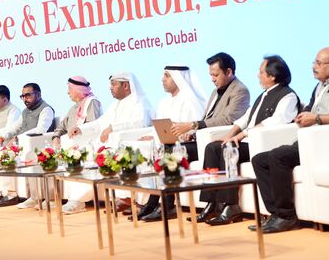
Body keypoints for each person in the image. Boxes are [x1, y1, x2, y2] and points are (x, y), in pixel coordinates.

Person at [251, 47, 329, 234]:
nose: (314, 67)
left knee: (278, 156)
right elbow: (310, 111)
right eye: (314, 62)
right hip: (308, 141)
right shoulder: (319, 87)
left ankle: (287, 217)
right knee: (259, 160)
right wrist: (302, 118)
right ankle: (275, 214)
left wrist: (316, 119)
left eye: (319, 63)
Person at [198, 55, 300, 226]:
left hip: (263, 143)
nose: (257, 75)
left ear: (272, 76)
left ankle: (231, 205)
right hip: (250, 141)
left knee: (227, 150)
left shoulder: (287, 96)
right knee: (213, 147)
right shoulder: (263, 95)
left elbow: (276, 121)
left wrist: (243, 135)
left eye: (261, 72)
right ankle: (212, 202)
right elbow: (245, 119)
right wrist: (229, 135)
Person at [64, 72, 153, 213]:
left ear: (126, 85)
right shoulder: (116, 104)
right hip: (113, 143)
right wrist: (81, 129)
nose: (110, 88)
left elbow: (141, 123)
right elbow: (100, 123)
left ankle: (128, 199)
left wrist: (113, 128)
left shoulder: (140, 102)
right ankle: (77, 199)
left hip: (131, 142)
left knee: (113, 155)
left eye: (114, 84)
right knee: (82, 154)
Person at [137, 65, 207, 222]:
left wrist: (184, 134)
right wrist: (152, 136)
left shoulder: (190, 101)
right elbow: (161, 128)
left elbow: (195, 130)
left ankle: (167, 205)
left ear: (178, 78)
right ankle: (153, 203)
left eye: (167, 76)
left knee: (169, 151)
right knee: (160, 149)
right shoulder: (164, 102)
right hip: (171, 144)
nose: (162, 79)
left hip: (191, 145)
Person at [0, 83, 56, 209]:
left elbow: (41, 129)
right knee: (7, 155)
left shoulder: (46, 109)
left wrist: (18, 138)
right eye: (23, 96)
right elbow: (16, 127)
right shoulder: (25, 111)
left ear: (38, 95)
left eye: (28, 95)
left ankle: (51, 199)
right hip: (27, 146)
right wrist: (2, 137)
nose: (25, 99)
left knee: (32, 159)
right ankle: (34, 198)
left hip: (42, 145)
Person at [51, 76, 103, 214]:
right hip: (71, 145)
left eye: (70, 89)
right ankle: (64, 197)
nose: (68, 92)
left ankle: (78, 200)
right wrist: (56, 137)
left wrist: (79, 132)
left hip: (87, 145)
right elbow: (61, 127)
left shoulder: (92, 102)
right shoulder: (73, 107)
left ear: (78, 89)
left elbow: (94, 127)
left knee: (75, 155)